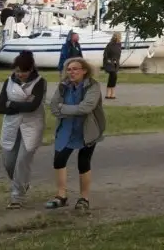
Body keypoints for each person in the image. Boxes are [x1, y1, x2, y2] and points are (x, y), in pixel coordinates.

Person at [44, 56, 104, 212]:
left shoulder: (93, 86)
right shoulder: (63, 86)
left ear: (84, 71)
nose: (71, 72)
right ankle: (61, 196)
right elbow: (53, 107)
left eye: (75, 69)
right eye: (69, 69)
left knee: (83, 163)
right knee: (59, 160)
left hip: (87, 129)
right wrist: (66, 109)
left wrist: (63, 108)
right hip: (66, 128)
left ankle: (84, 198)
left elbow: (86, 108)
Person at [0, 50, 46, 208]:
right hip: (12, 125)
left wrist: (12, 104)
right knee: (9, 162)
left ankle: (17, 197)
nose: (20, 74)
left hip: (32, 126)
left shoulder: (40, 82)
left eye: (24, 71)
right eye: (17, 71)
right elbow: (1, 107)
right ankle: (22, 182)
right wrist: (21, 104)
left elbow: (33, 106)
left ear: (31, 69)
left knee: (22, 161)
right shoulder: (8, 82)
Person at [100, 33, 123, 100]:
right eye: (116, 37)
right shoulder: (110, 44)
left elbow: (118, 54)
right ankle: (108, 93)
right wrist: (108, 60)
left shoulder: (119, 45)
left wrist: (117, 61)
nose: (117, 38)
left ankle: (112, 93)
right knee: (113, 76)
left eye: (118, 37)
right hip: (109, 63)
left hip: (115, 63)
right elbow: (105, 54)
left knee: (114, 78)